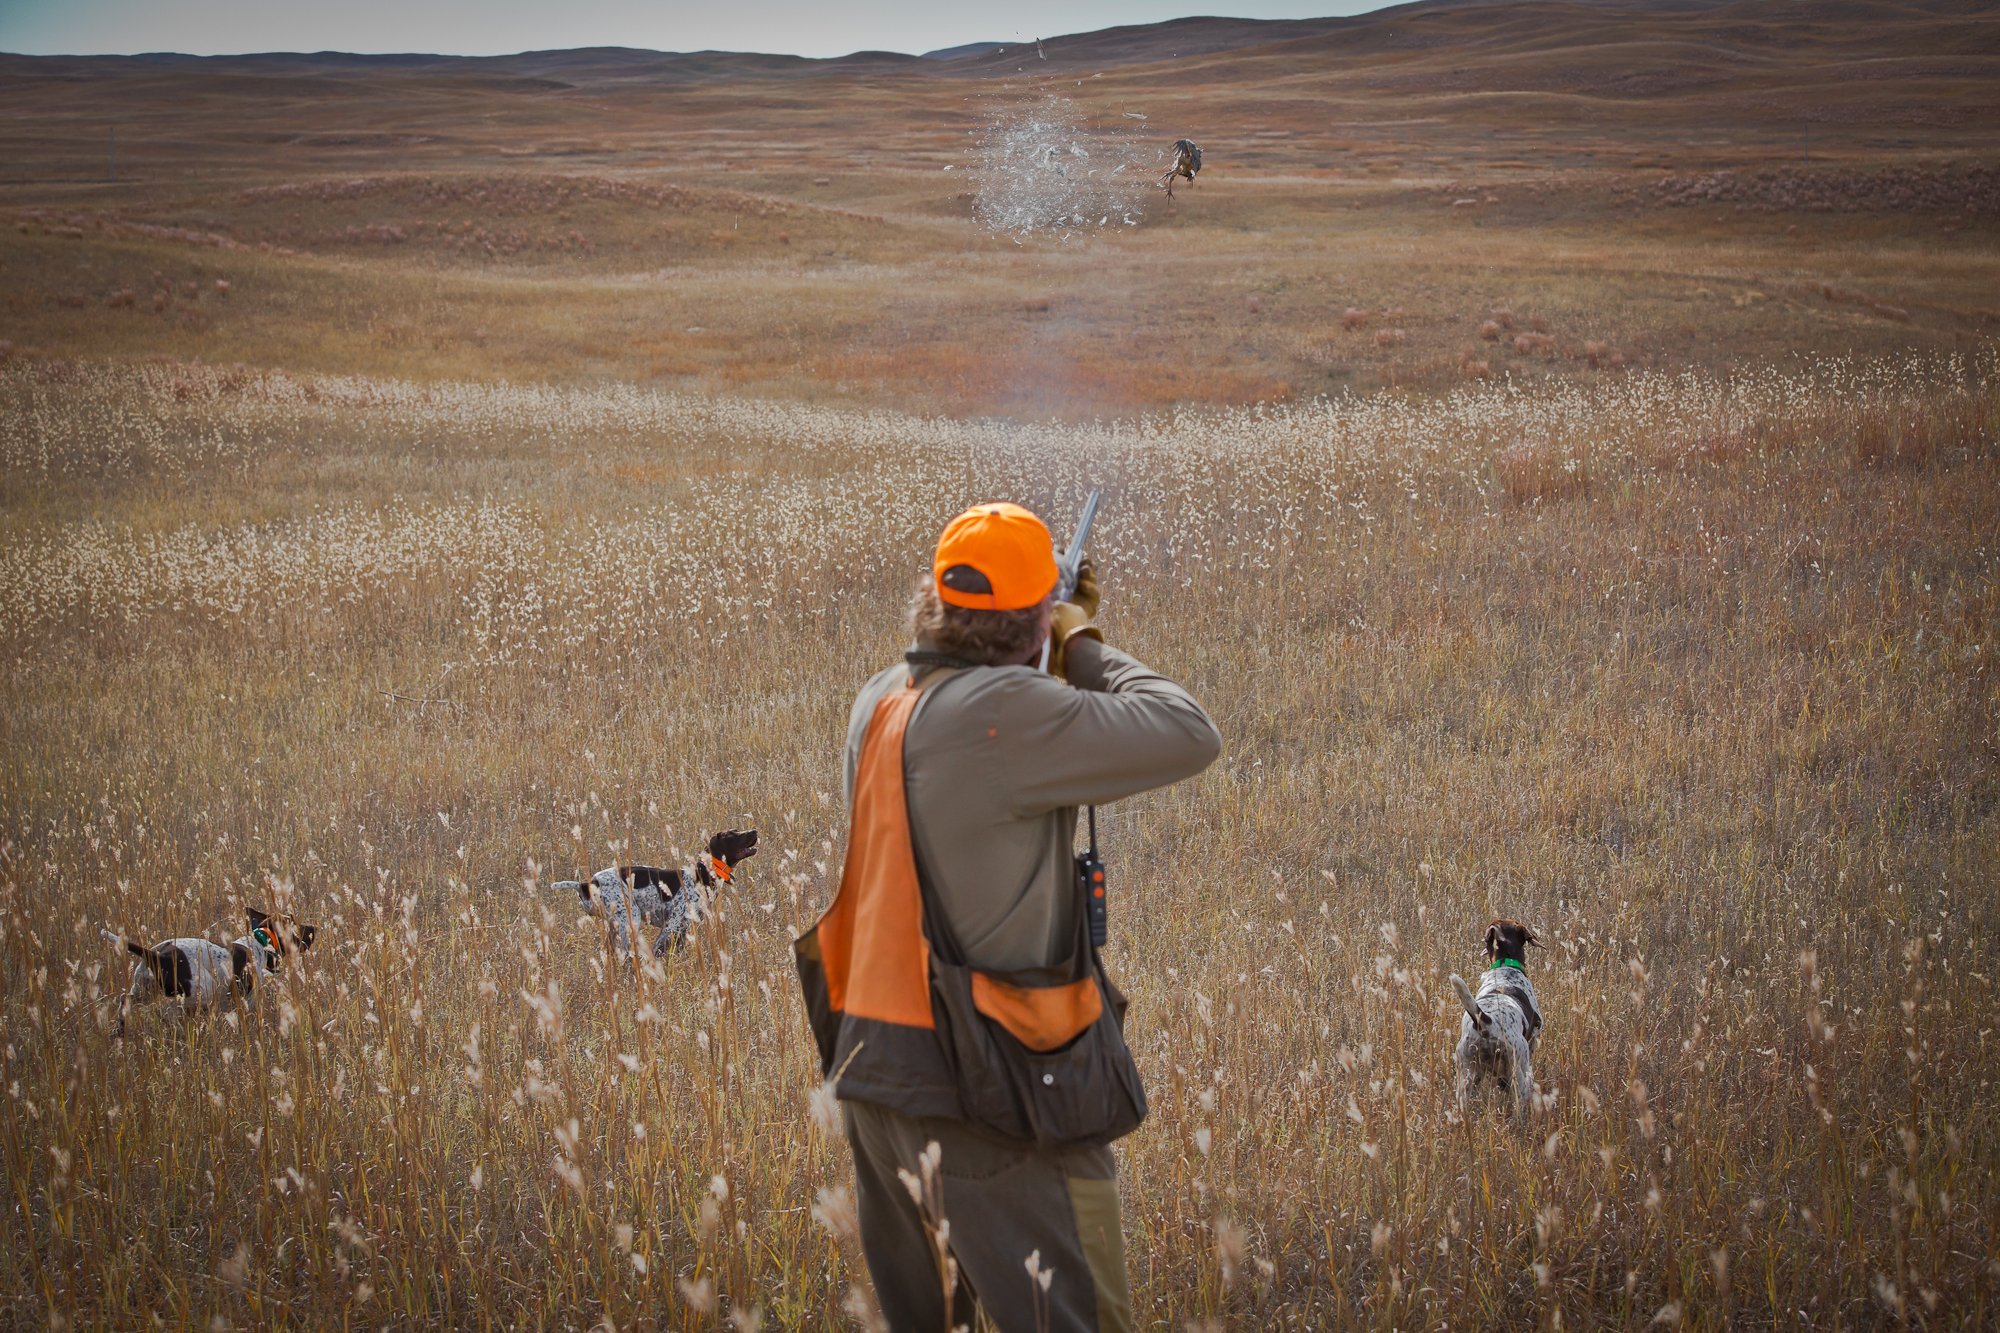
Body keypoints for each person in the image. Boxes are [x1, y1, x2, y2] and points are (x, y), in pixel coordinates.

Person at [795, 502, 1222, 1333]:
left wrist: (1039, 645)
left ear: (938, 602)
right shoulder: (1008, 715)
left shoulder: (881, 699)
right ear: (1033, 618)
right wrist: (1077, 640)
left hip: (878, 1079)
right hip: (990, 1089)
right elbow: (1189, 730)